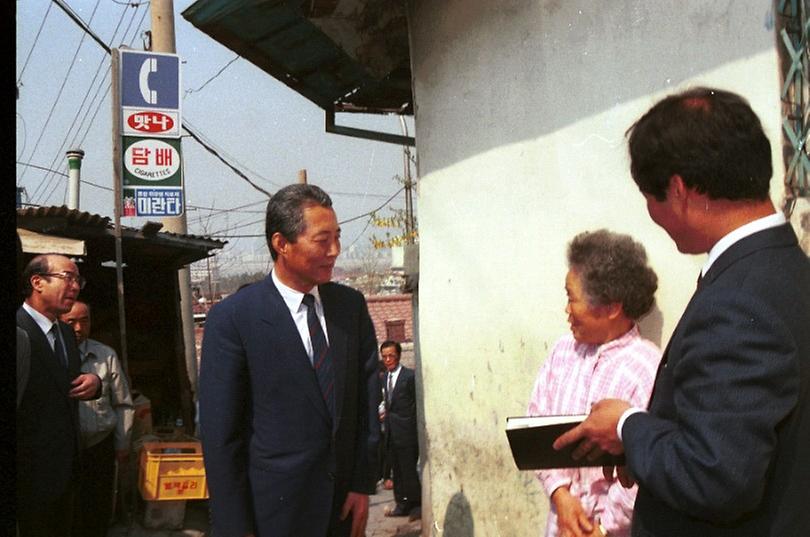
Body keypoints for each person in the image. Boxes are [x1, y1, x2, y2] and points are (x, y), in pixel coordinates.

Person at [555, 88, 810, 536]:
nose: (652, 213)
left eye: (650, 197)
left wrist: (628, 427)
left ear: (678, 190)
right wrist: (650, 450)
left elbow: (718, 477)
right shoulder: (788, 269)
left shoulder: (737, 300)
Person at [199, 183, 381, 537]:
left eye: (338, 237)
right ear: (281, 243)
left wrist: (361, 483)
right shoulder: (235, 319)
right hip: (274, 512)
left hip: (341, 507)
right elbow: (221, 437)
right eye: (322, 240)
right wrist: (236, 527)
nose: (335, 251)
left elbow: (365, 403)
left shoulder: (350, 307)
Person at [528, 230, 661, 537]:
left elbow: (646, 469)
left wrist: (599, 529)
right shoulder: (563, 353)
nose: (566, 310)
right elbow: (535, 430)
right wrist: (560, 495)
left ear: (612, 307)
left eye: (571, 298)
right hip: (561, 526)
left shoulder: (645, 368)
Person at [16, 254, 102, 537]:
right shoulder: (19, 330)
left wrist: (95, 383)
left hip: (67, 469)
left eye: (78, 280)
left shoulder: (65, 333)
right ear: (37, 282)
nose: (75, 286)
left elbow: (67, 385)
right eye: (68, 277)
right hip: (28, 475)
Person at [61, 300, 135, 537]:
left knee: (98, 508)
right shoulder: (49, 355)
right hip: (63, 449)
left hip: (99, 445)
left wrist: (122, 444)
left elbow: (123, 403)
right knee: (67, 510)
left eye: (85, 320)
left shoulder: (105, 355)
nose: (79, 328)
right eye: (71, 321)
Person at [380, 340, 421, 518]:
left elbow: (416, 404)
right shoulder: (384, 378)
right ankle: (401, 504)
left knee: (408, 470)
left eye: (392, 356)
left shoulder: (409, 376)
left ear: (398, 356)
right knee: (396, 470)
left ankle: (416, 506)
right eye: (385, 357)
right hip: (391, 432)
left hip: (407, 432)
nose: (388, 360)